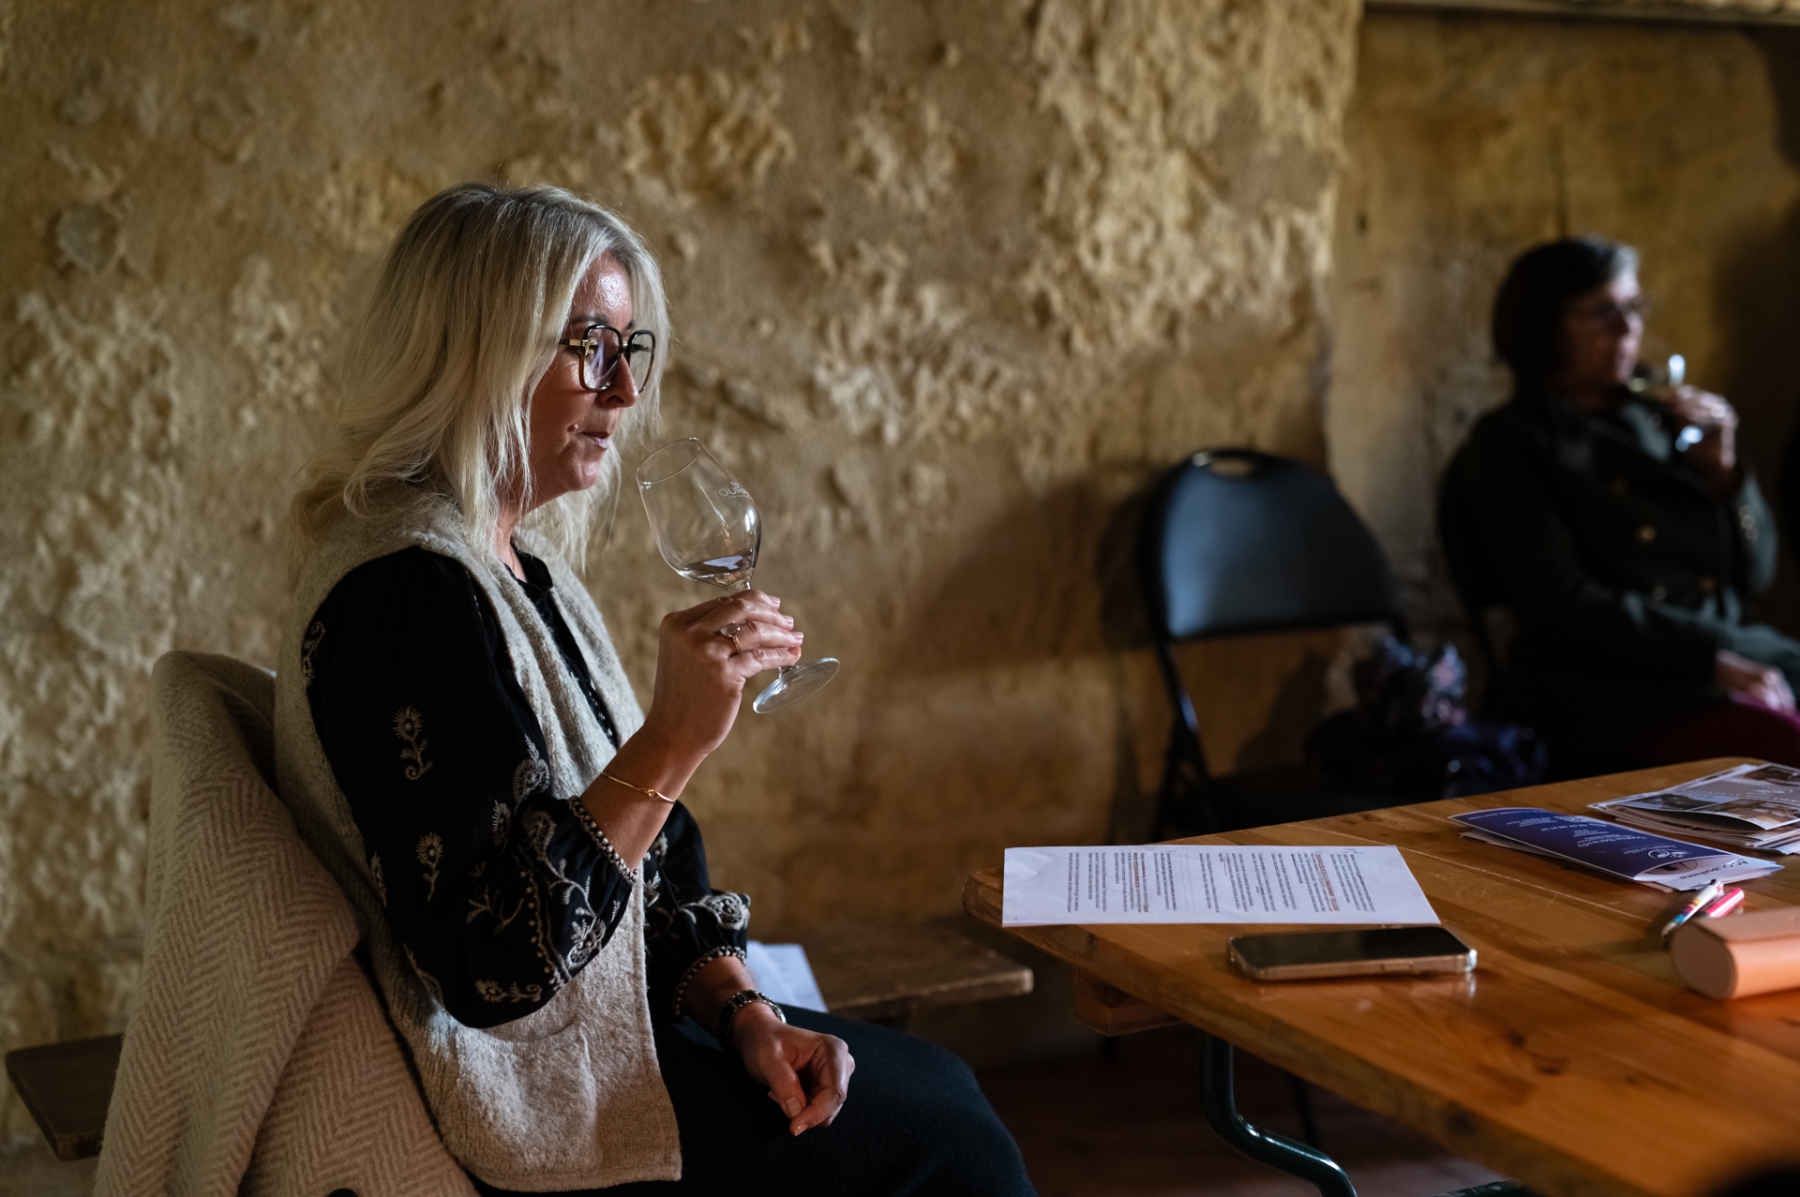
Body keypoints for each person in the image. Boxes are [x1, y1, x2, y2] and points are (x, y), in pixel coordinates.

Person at [273, 182, 1035, 1196]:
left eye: (628, 349)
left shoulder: (521, 567)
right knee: (946, 1147)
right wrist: (671, 742)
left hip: (608, 1034)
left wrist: (743, 1011)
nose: (626, 392)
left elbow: (651, 868)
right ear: (478, 353)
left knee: (939, 1086)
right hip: (515, 1097)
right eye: (590, 346)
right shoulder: (405, 594)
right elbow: (488, 964)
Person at [1451, 236, 1800, 767]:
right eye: (1603, 312)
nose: (1628, 328)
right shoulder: (1513, 442)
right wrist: (1707, 659)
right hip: (1614, 681)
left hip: (1727, 648)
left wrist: (1726, 475)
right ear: (1544, 325)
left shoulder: (1661, 420)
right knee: (1784, 749)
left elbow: (1756, 577)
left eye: (1634, 307)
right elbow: (1561, 603)